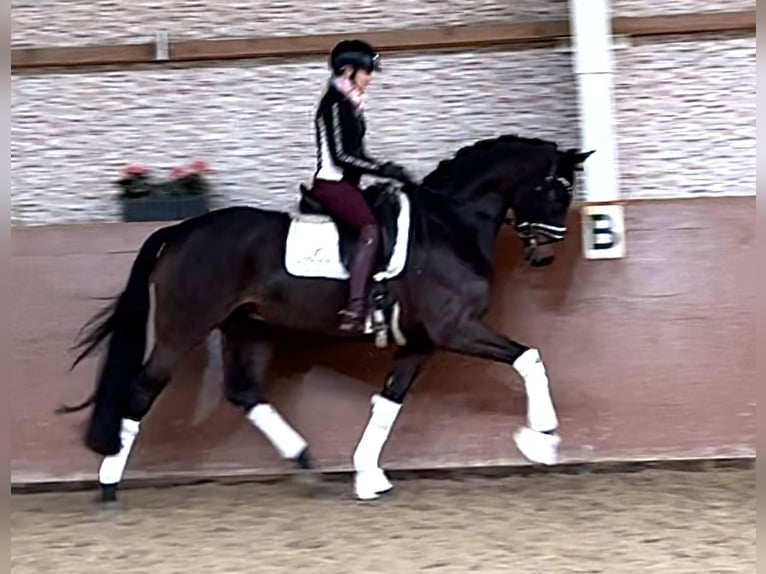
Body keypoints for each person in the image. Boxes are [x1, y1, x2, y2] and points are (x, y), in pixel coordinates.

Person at [311, 39, 411, 333]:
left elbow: (360, 155)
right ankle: (355, 307)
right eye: (367, 72)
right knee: (370, 229)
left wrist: (388, 172)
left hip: (348, 183)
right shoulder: (333, 103)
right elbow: (343, 156)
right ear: (348, 70)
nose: (369, 78)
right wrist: (382, 169)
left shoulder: (351, 105)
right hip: (332, 183)